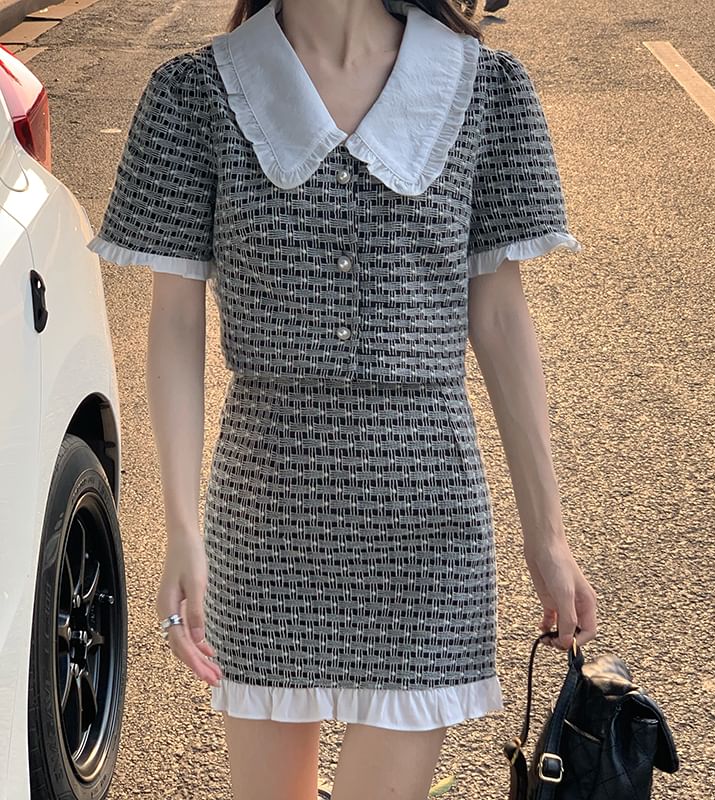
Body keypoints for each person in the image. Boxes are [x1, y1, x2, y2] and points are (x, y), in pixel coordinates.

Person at [86, 0, 598, 798]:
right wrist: (182, 529)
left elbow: (500, 319)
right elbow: (176, 325)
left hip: (427, 525)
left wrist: (549, 537)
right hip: (266, 519)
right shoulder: (194, 95)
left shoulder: (486, 89)